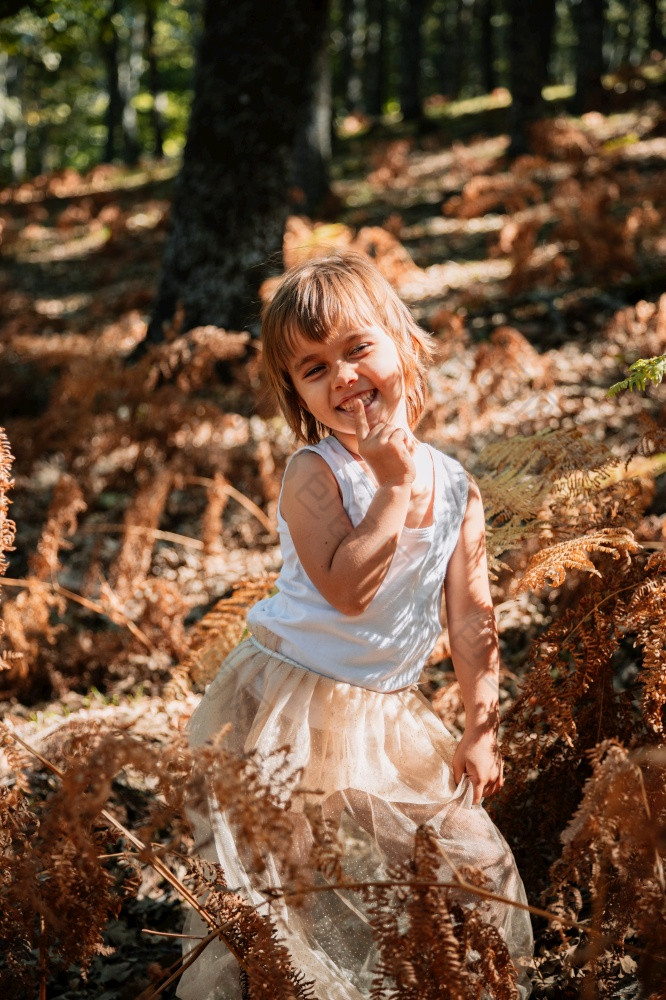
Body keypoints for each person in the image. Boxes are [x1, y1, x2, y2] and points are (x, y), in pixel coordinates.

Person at [177, 252, 533, 1000]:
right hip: (283, 706)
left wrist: (480, 724)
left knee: (467, 860)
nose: (341, 377)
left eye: (357, 348)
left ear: (403, 343)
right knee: (287, 884)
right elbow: (346, 588)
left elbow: (471, 614)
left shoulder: (455, 485)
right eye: (313, 368)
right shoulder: (317, 471)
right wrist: (393, 489)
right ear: (297, 394)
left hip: (382, 712)